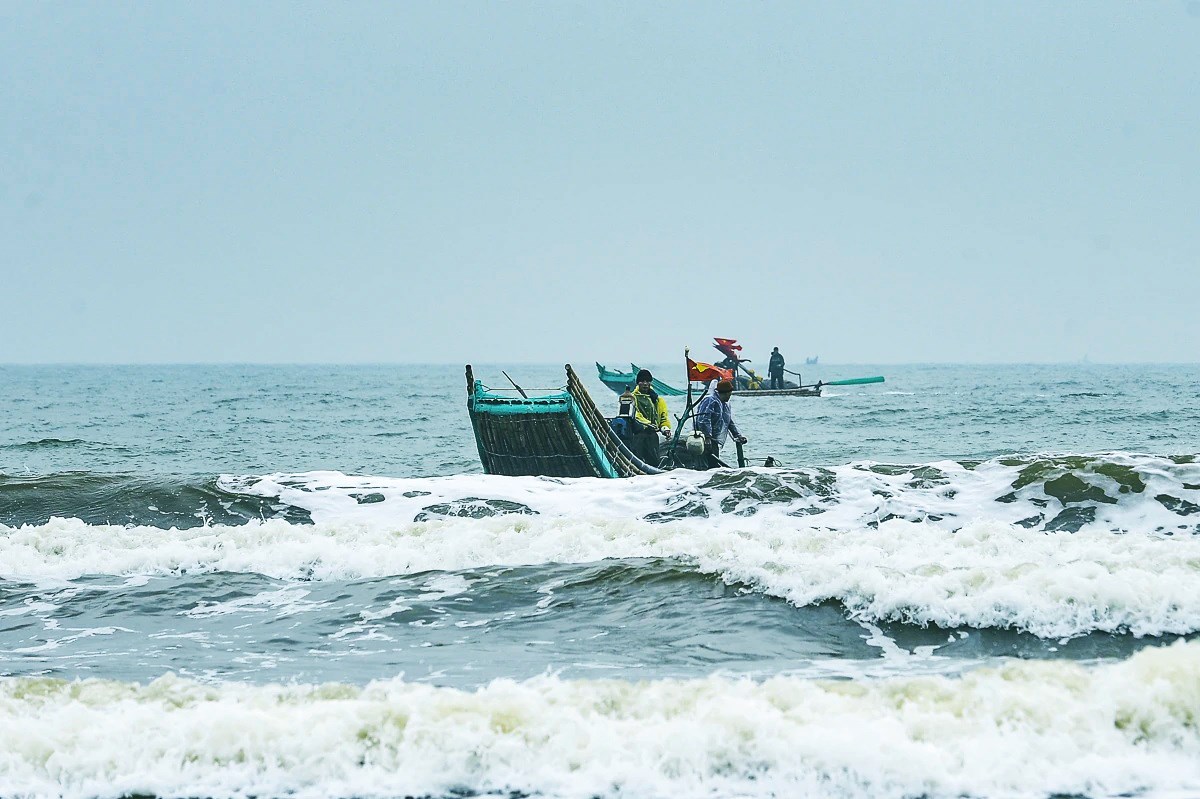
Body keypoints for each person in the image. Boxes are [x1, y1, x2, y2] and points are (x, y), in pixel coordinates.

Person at [694, 378, 747, 469]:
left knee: (714, 464)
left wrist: (737, 435)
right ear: (726, 393)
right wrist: (707, 437)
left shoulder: (724, 404)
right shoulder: (710, 401)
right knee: (708, 465)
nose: (730, 397)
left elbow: (728, 421)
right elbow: (703, 419)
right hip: (705, 440)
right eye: (729, 394)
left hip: (714, 439)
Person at [630, 369, 671, 466]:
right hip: (638, 435)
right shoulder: (632, 397)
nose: (645, 384)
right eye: (642, 381)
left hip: (652, 436)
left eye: (647, 381)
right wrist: (648, 424)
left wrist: (665, 429)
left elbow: (663, 416)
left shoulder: (657, 399)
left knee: (653, 461)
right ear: (637, 383)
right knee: (637, 460)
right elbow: (636, 414)